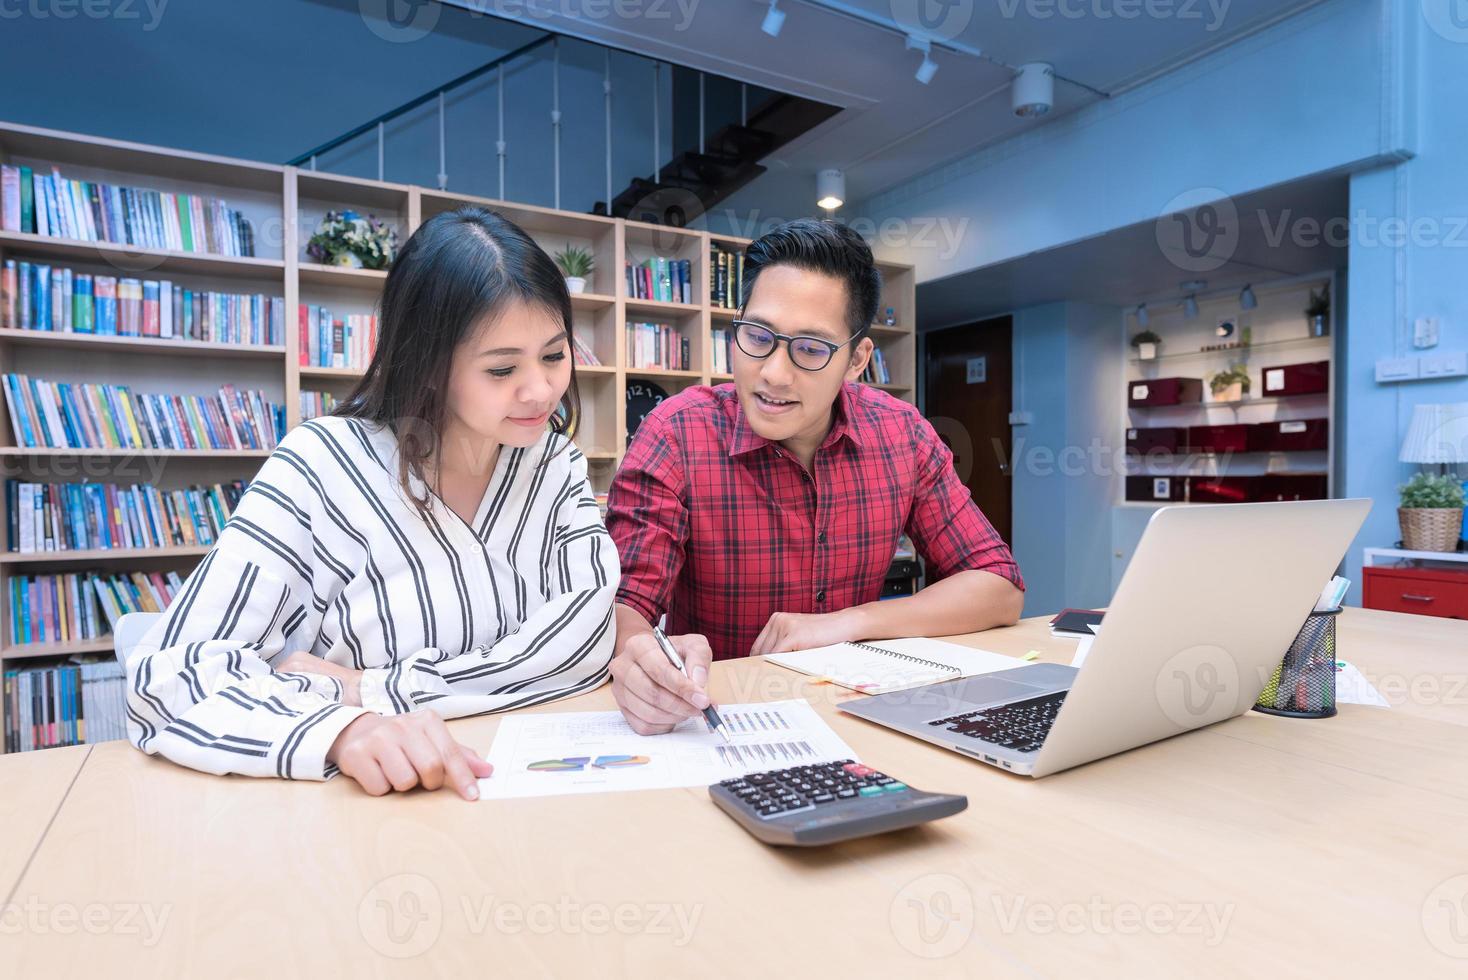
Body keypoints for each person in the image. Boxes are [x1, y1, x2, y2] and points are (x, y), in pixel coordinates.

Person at [125, 207, 618, 799]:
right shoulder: (322, 466)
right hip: (362, 812)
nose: (539, 390)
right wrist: (344, 730)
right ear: (430, 366)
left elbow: (587, 642)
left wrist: (366, 689)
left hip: (522, 794)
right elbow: (173, 678)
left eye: (555, 355)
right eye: (502, 368)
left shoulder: (554, 463)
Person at [606, 218, 1023, 735]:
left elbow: (998, 584)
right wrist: (642, 662)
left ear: (857, 360)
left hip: (860, 716)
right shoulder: (677, 433)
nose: (774, 374)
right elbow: (625, 608)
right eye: (757, 336)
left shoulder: (901, 433)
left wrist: (850, 624)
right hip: (721, 722)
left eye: (810, 349)